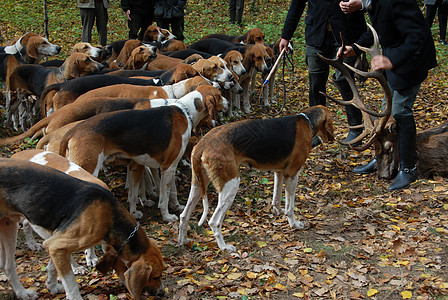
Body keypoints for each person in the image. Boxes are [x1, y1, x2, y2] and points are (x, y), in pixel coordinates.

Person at [340, 0, 438, 191]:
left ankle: (409, 168)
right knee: (387, 112)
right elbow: (376, 29)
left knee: (401, 112)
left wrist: (391, 59)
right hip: (396, 64)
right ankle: (382, 158)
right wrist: (355, 47)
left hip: (411, 63)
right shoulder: (375, 3)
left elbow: (418, 36)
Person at [278, 0, 367, 146]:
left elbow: (368, 4)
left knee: (345, 80)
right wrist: (286, 35)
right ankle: (316, 130)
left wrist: (358, 5)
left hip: (347, 34)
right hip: (316, 34)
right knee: (316, 84)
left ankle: (356, 128)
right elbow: (297, 4)